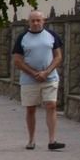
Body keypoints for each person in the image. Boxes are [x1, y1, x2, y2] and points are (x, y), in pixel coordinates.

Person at [12, 10, 65, 150]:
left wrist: (46, 72)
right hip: (29, 80)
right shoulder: (23, 38)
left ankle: (52, 140)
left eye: (38, 20)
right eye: (33, 20)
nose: (36, 23)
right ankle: (31, 140)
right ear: (28, 22)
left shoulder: (52, 36)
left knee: (51, 106)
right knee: (31, 109)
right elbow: (17, 60)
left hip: (50, 78)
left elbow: (58, 56)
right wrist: (34, 73)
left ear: (44, 21)